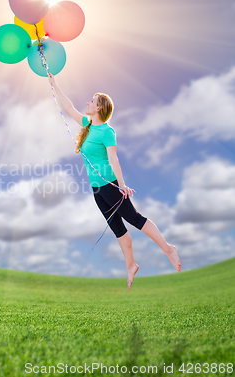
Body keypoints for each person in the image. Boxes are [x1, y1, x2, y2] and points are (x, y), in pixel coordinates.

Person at [47, 73, 181, 289]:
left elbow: (113, 158)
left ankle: (168, 248)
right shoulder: (88, 126)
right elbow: (69, 106)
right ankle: (131, 265)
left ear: (99, 108)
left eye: (92, 101)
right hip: (97, 190)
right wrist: (54, 83)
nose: (88, 102)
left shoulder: (107, 132)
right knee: (117, 228)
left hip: (110, 186)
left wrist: (122, 185)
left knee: (135, 219)